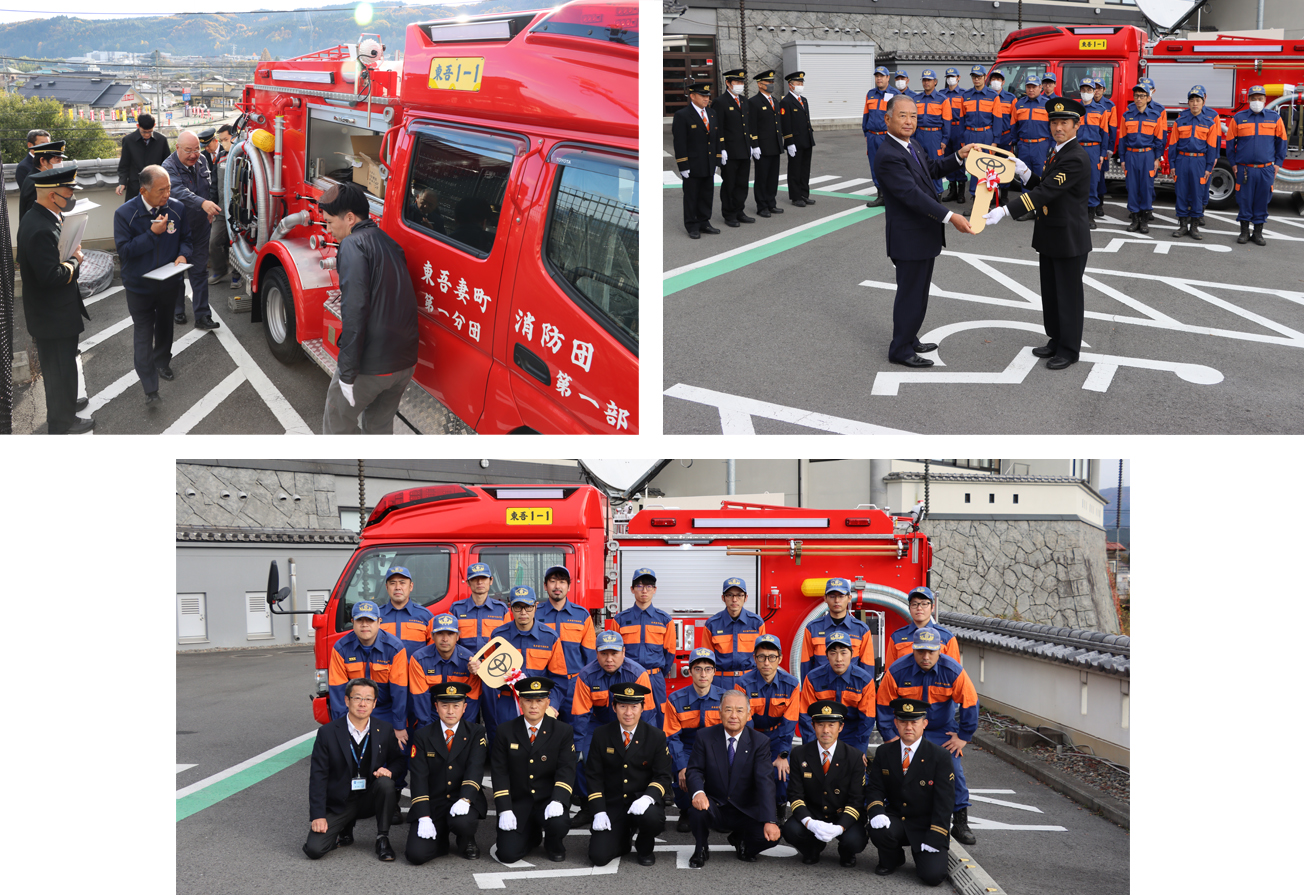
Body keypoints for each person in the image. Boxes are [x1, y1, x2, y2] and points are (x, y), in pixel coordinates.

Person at [983, 97, 1093, 371]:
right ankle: (1056, 339)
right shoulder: (1056, 152)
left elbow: (1046, 193)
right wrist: (1024, 172)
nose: (1058, 127)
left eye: (1064, 123)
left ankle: (1069, 350)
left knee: (1068, 296)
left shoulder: (1076, 157)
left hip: (1068, 238)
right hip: (1052, 235)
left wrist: (1006, 210)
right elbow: (1044, 184)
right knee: (1052, 293)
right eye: (1054, 122)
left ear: (1076, 126)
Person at [876, 93, 973, 368]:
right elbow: (911, 195)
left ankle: (909, 337)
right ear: (888, 119)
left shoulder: (911, 144)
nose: (909, 121)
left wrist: (957, 157)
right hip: (909, 237)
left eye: (913, 116)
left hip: (923, 234)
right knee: (910, 293)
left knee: (919, 292)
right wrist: (951, 216)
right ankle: (900, 349)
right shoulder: (889, 155)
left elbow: (931, 169)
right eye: (902, 116)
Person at [318, 181, 420, 434]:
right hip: (404, 363)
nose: (328, 230)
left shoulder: (353, 245)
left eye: (330, 222)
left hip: (371, 365)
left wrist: (348, 372)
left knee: (337, 425)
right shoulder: (388, 242)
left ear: (350, 218)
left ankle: (345, 471)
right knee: (379, 429)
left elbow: (355, 309)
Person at [876, 628, 979, 846]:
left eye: (931, 652)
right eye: (920, 651)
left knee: (954, 770)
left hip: (940, 730)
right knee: (896, 770)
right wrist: (890, 736)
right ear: (913, 650)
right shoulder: (897, 670)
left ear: (940, 650)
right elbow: (883, 703)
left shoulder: (953, 671)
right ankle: (889, 814)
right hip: (907, 729)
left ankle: (960, 821)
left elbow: (970, 701)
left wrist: (963, 736)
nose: (925, 657)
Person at [18, 165, 92, 434]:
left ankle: (67, 405)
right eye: (68, 192)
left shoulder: (42, 216)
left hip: (53, 311)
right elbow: (51, 276)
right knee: (58, 369)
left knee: (62, 367)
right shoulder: (40, 228)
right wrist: (75, 260)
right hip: (52, 315)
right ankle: (62, 421)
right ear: (53, 196)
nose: (71, 197)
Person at [113, 164, 191, 407]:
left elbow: (186, 239)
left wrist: (183, 255)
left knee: (166, 326)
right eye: (161, 190)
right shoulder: (125, 214)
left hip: (169, 283)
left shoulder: (177, 208)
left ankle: (162, 363)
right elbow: (124, 252)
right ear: (144, 190)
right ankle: (149, 387)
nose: (167, 194)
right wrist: (152, 234)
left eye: (168, 188)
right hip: (140, 287)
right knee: (144, 333)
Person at [304, 677, 404, 861]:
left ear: (374, 703)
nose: (362, 703)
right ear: (346, 700)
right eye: (357, 698)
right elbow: (318, 776)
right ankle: (345, 828)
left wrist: (390, 771)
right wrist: (317, 815)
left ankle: (382, 838)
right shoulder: (327, 732)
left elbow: (398, 761)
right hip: (341, 800)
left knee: (385, 784)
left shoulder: (384, 729)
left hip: (370, 798)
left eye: (368, 699)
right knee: (314, 849)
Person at [684, 689, 782, 867]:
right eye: (728, 710)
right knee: (696, 810)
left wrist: (770, 820)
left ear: (748, 714)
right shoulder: (705, 736)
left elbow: (765, 782)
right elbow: (694, 770)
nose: (733, 716)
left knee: (771, 837)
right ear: (720, 712)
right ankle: (701, 848)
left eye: (739, 710)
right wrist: (698, 792)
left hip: (746, 810)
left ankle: (741, 841)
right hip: (715, 806)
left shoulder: (760, 742)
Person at [569, 630, 656, 827]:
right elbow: (581, 714)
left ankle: (636, 799)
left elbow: (648, 713)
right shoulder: (586, 675)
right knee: (581, 757)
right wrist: (578, 747)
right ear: (596, 653)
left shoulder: (637, 674)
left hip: (630, 722)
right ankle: (588, 805)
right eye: (604, 653)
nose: (609, 659)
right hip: (598, 723)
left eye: (614, 653)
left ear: (624, 652)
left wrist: (647, 745)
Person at [866, 697, 955, 884]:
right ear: (896, 724)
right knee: (878, 829)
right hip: (897, 819)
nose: (909, 727)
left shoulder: (940, 756)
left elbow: (944, 801)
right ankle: (893, 859)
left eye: (914, 722)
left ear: (924, 724)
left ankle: (924, 853)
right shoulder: (884, 752)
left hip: (926, 825)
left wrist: (937, 834)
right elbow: (875, 787)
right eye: (903, 722)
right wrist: (876, 811)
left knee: (933, 877)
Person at [490, 677, 578, 864]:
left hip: (548, 800)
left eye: (539, 700)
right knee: (507, 854)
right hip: (518, 803)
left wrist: (558, 800)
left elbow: (566, 769)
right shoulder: (505, 731)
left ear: (548, 702)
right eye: (528, 700)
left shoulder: (562, 731)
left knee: (558, 821)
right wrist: (504, 809)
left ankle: (554, 843)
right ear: (520, 701)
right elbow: (500, 772)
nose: (533, 706)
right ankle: (532, 836)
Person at [584, 682, 671, 866]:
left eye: (634, 706)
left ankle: (644, 845)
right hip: (613, 804)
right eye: (623, 706)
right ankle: (623, 839)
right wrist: (599, 810)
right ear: (614, 707)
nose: (628, 712)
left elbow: (662, 776)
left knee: (652, 818)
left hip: (641, 801)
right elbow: (593, 776)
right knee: (598, 857)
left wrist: (648, 798)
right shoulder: (601, 735)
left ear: (642, 708)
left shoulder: (655, 736)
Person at [404, 681, 488, 863]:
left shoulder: (476, 732)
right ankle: (440, 840)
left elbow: (475, 768)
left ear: (464, 707)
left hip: (462, 799)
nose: (450, 711)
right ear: (436, 706)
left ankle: (466, 838)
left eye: (456, 706)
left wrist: (466, 799)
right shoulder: (422, 735)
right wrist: (424, 816)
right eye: (444, 705)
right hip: (435, 801)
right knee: (416, 855)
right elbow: (419, 777)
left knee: (463, 823)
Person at [473, 586, 568, 743]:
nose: (523, 612)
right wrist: (477, 666)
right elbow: (488, 670)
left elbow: (560, 678)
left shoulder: (549, 638)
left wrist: (553, 706)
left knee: (538, 752)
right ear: (511, 607)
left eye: (528, 607)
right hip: (507, 704)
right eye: (518, 607)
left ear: (536, 606)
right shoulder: (499, 636)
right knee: (508, 751)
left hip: (539, 704)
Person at [781, 700, 868, 867]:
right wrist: (809, 822)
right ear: (813, 726)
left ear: (840, 727)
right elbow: (795, 794)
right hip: (814, 812)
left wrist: (840, 827)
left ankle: (846, 851)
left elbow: (857, 800)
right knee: (791, 830)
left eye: (831, 725)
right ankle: (812, 848)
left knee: (855, 841)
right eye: (820, 725)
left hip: (842, 813)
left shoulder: (854, 757)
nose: (826, 730)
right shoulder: (800, 754)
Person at [328, 600, 409, 751]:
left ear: (379, 622)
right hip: (355, 710)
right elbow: (338, 692)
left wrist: (399, 726)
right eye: (360, 620)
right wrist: (342, 727)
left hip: (385, 710)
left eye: (370, 620)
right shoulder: (340, 649)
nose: (364, 625)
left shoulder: (395, 648)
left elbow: (399, 691)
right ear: (352, 622)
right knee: (348, 756)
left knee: (396, 754)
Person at [735, 633, 799, 819]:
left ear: (779, 659)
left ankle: (779, 810)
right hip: (750, 737)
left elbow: (789, 723)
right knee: (747, 772)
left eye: (772, 657)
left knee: (781, 772)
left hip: (778, 738)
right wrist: (753, 752)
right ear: (754, 658)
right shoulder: (743, 684)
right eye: (761, 657)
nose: (766, 662)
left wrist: (782, 755)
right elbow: (744, 722)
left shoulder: (792, 684)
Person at [162, 130, 221, 329]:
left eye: (196, 149)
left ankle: (203, 316)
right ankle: (177, 309)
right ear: (177, 148)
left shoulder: (203, 161)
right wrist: (203, 203)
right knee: (177, 270)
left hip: (200, 226)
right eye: (188, 150)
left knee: (199, 271)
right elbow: (178, 192)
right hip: (176, 229)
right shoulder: (167, 168)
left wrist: (209, 206)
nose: (193, 155)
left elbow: (209, 186)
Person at [663, 647, 725, 832]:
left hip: (717, 748)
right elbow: (673, 737)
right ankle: (686, 810)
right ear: (690, 671)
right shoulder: (675, 699)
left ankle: (721, 809)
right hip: (688, 748)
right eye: (698, 669)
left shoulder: (725, 699)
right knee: (684, 777)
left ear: (714, 672)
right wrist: (682, 767)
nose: (703, 674)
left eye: (708, 669)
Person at [613, 567, 676, 726]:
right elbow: (614, 653)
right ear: (632, 589)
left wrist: (657, 673)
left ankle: (658, 750)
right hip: (628, 677)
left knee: (659, 717)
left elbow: (669, 653)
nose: (644, 590)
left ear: (654, 590)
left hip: (654, 678)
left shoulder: (664, 620)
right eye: (639, 586)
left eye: (648, 586)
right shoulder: (620, 620)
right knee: (627, 716)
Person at [1228, 85, 1289, 247]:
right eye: (1253, 98)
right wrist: (1233, 164)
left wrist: (1278, 164)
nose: (1257, 101)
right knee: (1244, 200)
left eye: (1260, 98)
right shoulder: (1238, 118)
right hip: (1244, 169)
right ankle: (1244, 232)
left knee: (1262, 200)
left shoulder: (1274, 118)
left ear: (1265, 100)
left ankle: (1258, 232)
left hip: (1266, 169)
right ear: (1248, 100)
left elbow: (1282, 142)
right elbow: (1229, 144)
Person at [534, 564, 596, 723]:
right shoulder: (534, 614)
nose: (557, 586)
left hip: (573, 687)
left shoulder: (582, 615)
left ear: (569, 586)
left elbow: (590, 656)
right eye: (553, 581)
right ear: (545, 586)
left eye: (562, 582)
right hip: (542, 686)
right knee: (542, 732)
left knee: (576, 730)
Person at [798, 630, 876, 752]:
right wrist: (812, 747)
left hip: (853, 734)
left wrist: (860, 750)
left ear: (852, 654)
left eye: (843, 652)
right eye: (833, 653)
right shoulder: (813, 679)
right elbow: (805, 716)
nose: (839, 659)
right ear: (826, 655)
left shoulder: (864, 681)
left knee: (856, 769)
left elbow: (867, 719)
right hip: (822, 732)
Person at [1165, 85, 1221, 240]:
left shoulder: (1209, 123)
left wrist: (1209, 167)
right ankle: (1182, 226)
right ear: (1188, 103)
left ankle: (1195, 226)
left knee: (1197, 194)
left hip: (1199, 161)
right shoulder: (1180, 121)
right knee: (1181, 193)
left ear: (1203, 102)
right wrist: (1173, 165)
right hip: (1182, 160)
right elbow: (1173, 145)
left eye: (1198, 100)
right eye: (1192, 100)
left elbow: (1211, 147)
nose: (1195, 103)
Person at [409, 613, 482, 729]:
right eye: (439, 634)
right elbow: (420, 698)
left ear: (458, 636)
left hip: (459, 717)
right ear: (432, 636)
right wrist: (428, 730)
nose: (445, 639)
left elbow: (472, 699)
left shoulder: (469, 661)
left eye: (450, 634)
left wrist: (463, 729)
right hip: (430, 715)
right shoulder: (419, 659)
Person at [671, 80, 723, 239]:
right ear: (692, 96)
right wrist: (683, 164)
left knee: (707, 193)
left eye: (708, 96)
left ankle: (704, 221)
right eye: (702, 96)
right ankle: (692, 224)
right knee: (692, 195)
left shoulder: (712, 113)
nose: (706, 99)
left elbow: (716, 138)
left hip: (708, 162)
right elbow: (679, 142)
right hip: (693, 163)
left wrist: (717, 159)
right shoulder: (683, 115)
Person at [800, 577, 874, 677]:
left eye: (841, 596)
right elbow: (806, 666)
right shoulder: (812, 628)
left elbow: (867, 668)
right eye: (832, 596)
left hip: (851, 690)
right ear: (825, 598)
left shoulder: (862, 630)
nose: (837, 600)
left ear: (849, 598)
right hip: (822, 690)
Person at [1118, 79, 1165, 234]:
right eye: (1136, 95)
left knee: (1146, 187)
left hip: (1147, 156)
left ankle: (1144, 221)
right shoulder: (1127, 115)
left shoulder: (1155, 116)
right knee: (1132, 188)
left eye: (1142, 96)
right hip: (1131, 155)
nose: (1138, 99)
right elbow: (1123, 139)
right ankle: (1134, 220)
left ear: (1148, 98)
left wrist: (1157, 158)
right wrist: (1123, 159)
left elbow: (1159, 139)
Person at [712, 68, 755, 227]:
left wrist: (751, 144)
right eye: (737, 82)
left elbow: (748, 125)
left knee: (742, 183)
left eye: (742, 82)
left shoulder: (744, 101)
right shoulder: (720, 102)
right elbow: (718, 127)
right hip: (729, 151)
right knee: (729, 183)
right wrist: (721, 148)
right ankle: (729, 214)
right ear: (728, 83)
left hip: (744, 149)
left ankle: (739, 210)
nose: (740, 85)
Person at [704, 576, 767, 683]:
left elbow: (763, 655)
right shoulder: (712, 624)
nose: (734, 599)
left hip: (750, 680)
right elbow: (706, 659)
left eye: (739, 595)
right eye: (730, 595)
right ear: (723, 598)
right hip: (720, 681)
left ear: (746, 598)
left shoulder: (756, 623)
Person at [884, 586, 962, 668]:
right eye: (914, 604)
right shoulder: (896, 637)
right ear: (909, 608)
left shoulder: (947, 638)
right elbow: (889, 674)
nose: (919, 608)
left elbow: (954, 674)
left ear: (932, 607)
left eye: (924, 604)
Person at [959, 66, 1004, 202]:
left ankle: (986, 199)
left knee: (987, 167)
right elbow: (962, 119)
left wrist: (995, 141)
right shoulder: (965, 96)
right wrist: (963, 139)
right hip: (970, 135)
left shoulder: (993, 96)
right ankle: (974, 197)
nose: (976, 79)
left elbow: (997, 120)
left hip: (986, 135)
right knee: (973, 168)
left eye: (979, 76)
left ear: (985, 77)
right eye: (974, 76)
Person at [451, 562, 510, 654]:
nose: (479, 582)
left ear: (491, 581)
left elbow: (507, 642)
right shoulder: (456, 609)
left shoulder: (501, 609)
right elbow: (451, 642)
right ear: (468, 582)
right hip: (464, 663)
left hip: (492, 665)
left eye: (483, 578)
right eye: (474, 579)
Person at [913, 71, 955, 200]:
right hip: (919, 134)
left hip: (935, 136)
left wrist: (944, 140)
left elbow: (947, 121)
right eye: (924, 80)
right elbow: (913, 119)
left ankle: (937, 193)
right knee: (918, 164)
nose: (926, 82)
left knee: (935, 165)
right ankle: (922, 192)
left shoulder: (942, 99)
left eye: (929, 80)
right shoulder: (916, 99)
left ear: (935, 82)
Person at [208, 124, 241, 290]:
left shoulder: (243, 156)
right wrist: (212, 205)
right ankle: (220, 270)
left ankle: (237, 275)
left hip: (239, 211)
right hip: (221, 209)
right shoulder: (220, 157)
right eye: (221, 141)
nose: (224, 143)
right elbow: (214, 184)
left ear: (234, 137)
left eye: (226, 140)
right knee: (213, 242)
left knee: (237, 243)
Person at [748, 70, 784, 217]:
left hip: (775, 145)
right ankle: (762, 206)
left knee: (773, 177)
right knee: (762, 177)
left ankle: (771, 203)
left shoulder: (774, 101)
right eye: (768, 82)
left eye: (772, 82)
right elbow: (752, 125)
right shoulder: (754, 102)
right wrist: (754, 144)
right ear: (760, 84)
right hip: (762, 147)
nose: (771, 85)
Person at [862, 65, 898, 208]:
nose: (879, 78)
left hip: (887, 136)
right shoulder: (870, 94)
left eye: (882, 76)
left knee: (891, 166)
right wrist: (866, 132)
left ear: (888, 78)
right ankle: (880, 195)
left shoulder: (895, 94)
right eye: (877, 76)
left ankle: (893, 196)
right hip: (872, 136)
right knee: (875, 165)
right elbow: (866, 115)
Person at [1077, 79, 1110, 229]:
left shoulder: (1101, 110)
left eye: (1089, 90)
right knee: (1075, 181)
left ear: (1094, 92)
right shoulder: (1075, 109)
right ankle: (1076, 213)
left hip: (1094, 150)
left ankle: (1090, 216)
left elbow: (1105, 134)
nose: (1086, 93)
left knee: (1092, 182)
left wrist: (1103, 153)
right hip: (1076, 148)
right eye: (1083, 89)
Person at [780, 71, 816, 207]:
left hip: (806, 140)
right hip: (795, 141)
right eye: (797, 83)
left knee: (805, 169)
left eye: (801, 83)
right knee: (795, 170)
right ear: (790, 85)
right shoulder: (786, 102)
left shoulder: (804, 100)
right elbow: (785, 123)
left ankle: (804, 194)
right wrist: (789, 142)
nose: (800, 85)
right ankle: (796, 196)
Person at [116, 112, 170, 202]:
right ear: (138, 126)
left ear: (154, 126)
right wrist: (122, 182)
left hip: (156, 187)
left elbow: (167, 164)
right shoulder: (128, 140)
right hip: (135, 186)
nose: (147, 135)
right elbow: (124, 164)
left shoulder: (162, 140)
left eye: (150, 131)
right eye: (144, 132)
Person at [1010, 76, 1050, 189]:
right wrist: (1014, 144)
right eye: (1028, 87)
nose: (1031, 90)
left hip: (1041, 146)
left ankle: (1040, 205)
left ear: (1040, 87)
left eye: (1034, 87)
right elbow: (1014, 126)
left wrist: (1052, 147)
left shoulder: (1047, 105)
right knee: (1024, 177)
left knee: (1040, 177)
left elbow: (1053, 128)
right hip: (1024, 146)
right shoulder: (1019, 104)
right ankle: (1026, 205)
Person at [18, 140, 68, 221]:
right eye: (57, 160)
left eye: (61, 160)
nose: (60, 164)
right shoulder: (37, 184)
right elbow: (37, 217)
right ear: (42, 161)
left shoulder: (37, 178)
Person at [940, 68, 967, 203]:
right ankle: (952, 190)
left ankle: (961, 191)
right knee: (948, 159)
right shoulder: (941, 94)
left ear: (958, 78)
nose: (950, 78)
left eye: (953, 76)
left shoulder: (963, 94)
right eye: (948, 76)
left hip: (958, 128)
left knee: (960, 158)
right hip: (945, 129)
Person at [1092, 78, 1118, 218]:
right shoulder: (1085, 105)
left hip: (1102, 147)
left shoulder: (1110, 106)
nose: (1096, 91)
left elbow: (1112, 129)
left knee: (1100, 178)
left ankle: (1099, 205)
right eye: (1094, 88)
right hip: (1089, 147)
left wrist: (1110, 149)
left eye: (1099, 88)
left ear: (1104, 90)